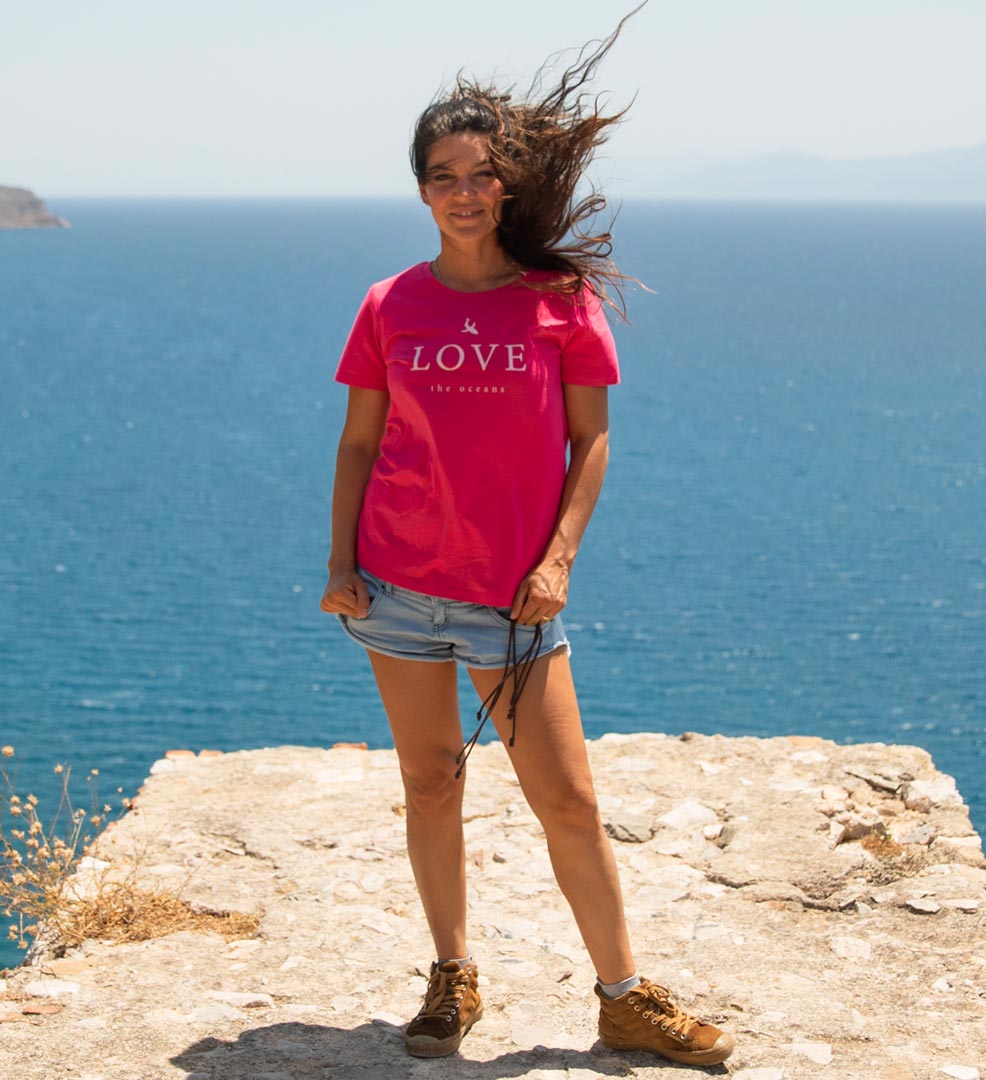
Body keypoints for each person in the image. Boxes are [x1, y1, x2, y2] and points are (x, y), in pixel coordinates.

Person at [320, 10, 735, 1068]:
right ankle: (452, 975)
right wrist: (339, 568)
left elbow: (592, 443)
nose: (463, 190)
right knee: (428, 784)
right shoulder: (388, 304)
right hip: (397, 590)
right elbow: (360, 445)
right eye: (442, 173)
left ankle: (624, 996)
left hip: (513, 599)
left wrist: (557, 561)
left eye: (480, 173)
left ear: (505, 186)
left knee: (567, 799)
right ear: (420, 189)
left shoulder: (558, 300)